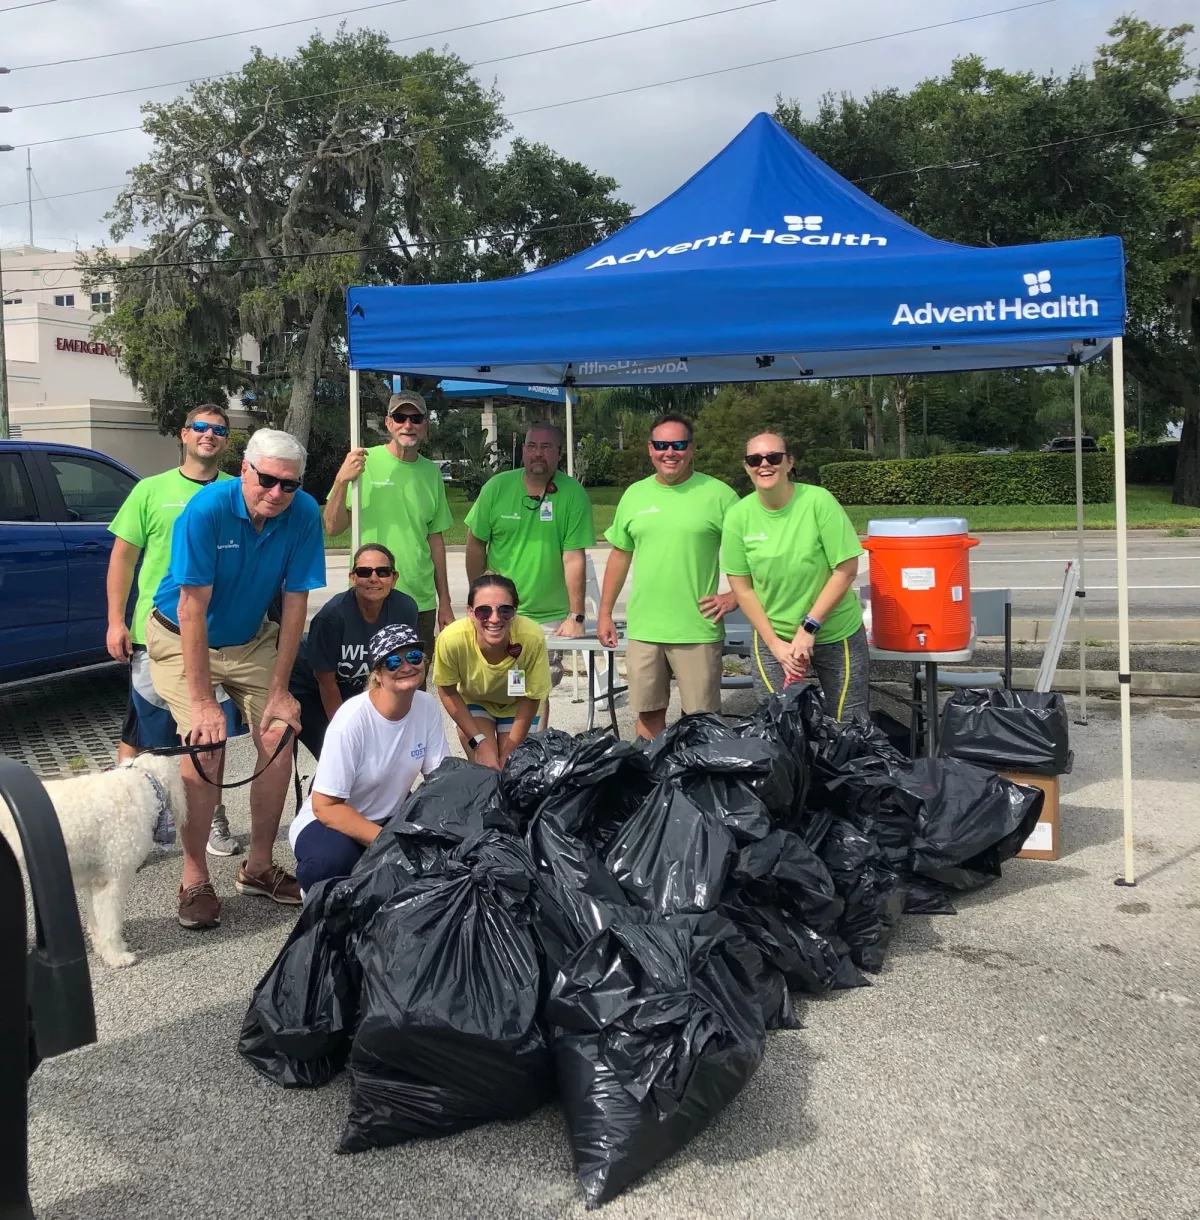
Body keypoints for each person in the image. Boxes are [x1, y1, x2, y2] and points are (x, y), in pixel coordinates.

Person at [145, 428, 326, 930]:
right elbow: (191, 609)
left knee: (278, 729)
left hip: (249, 639)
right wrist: (204, 703)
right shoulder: (206, 510)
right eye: (266, 479)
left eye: (288, 485)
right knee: (206, 743)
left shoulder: (304, 512)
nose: (276, 493)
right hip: (181, 633)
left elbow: (295, 605)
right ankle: (195, 875)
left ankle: (259, 865)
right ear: (244, 469)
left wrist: (279, 689)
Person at [105, 403, 245, 858]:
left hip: (216, 638)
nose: (209, 435)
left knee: (211, 736)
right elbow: (123, 559)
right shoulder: (150, 490)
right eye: (200, 427)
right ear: (183, 435)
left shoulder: (241, 490)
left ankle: (212, 816)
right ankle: (130, 824)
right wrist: (115, 621)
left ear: (227, 440)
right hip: (155, 632)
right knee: (147, 736)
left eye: (218, 430)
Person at [597, 414, 739, 740]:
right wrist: (604, 612)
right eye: (661, 445)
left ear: (692, 449)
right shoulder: (634, 495)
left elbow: (749, 553)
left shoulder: (719, 495)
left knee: (702, 723)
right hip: (646, 628)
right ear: (650, 449)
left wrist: (733, 596)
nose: (669, 452)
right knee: (648, 718)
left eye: (678, 444)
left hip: (697, 628)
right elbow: (620, 555)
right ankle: (651, 787)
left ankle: (700, 788)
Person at [289, 624, 449, 893]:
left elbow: (439, 779)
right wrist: (387, 842)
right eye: (393, 661)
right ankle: (313, 896)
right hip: (330, 822)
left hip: (390, 816)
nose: (406, 666)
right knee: (327, 866)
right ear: (377, 673)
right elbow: (325, 807)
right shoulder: (352, 720)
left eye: (413, 657)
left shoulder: (427, 705)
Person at [721, 432, 869, 720]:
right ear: (746, 467)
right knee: (779, 725)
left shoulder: (818, 501)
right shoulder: (738, 516)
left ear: (789, 462)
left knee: (848, 726)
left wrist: (808, 628)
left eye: (773, 457)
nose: (764, 464)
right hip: (773, 635)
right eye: (755, 459)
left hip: (835, 631)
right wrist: (776, 645)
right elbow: (742, 587)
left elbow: (846, 569)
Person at [464, 422, 593, 724]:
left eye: (546, 448)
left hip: (549, 617)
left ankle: (531, 755)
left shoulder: (572, 494)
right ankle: (494, 757)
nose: (538, 453)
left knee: (536, 691)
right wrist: (478, 597)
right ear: (523, 451)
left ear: (559, 454)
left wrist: (576, 616)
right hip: (498, 614)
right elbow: (475, 543)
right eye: (532, 446)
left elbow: (574, 557)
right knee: (491, 686)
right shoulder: (497, 487)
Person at [323, 389, 454, 656]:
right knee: (368, 681)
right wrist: (341, 480)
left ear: (425, 425)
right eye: (401, 417)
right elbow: (333, 528)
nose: (408, 425)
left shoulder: (431, 472)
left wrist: (446, 602)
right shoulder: (363, 463)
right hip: (369, 592)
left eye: (416, 418)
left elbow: (435, 541)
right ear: (388, 422)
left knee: (413, 681)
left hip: (420, 597)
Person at [288, 542, 419, 761]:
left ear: (394, 578)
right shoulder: (332, 616)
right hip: (309, 687)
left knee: (381, 751)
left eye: (383, 572)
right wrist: (344, 732)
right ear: (353, 578)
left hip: (354, 683)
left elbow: (400, 670)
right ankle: (327, 793)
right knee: (340, 755)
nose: (373, 578)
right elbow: (326, 682)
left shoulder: (405, 609)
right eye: (364, 572)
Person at [433, 574, 551, 769]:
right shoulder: (451, 639)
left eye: (505, 610)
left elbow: (532, 697)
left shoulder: (531, 636)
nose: (494, 619)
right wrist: (479, 743)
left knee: (513, 767)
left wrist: (509, 750)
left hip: (518, 703)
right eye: (483, 611)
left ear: (515, 611)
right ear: (470, 612)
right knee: (486, 766)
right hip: (474, 701)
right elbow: (447, 690)